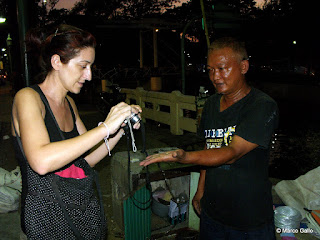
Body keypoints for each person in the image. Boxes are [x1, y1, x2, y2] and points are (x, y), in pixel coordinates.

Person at [11, 24, 142, 239]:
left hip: (79, 209)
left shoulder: (70, 103)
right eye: (83, 66)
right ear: (56, 62)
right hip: (46, 216)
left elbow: (86, 159)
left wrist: (119, 129)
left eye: (90, 67)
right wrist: (105, 127)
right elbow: (41, 162)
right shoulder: (28, 98)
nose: (89, 75)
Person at [140, 37, 278, 239]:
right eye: (210, 70)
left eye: (222, 68)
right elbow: (209, 147)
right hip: (212, 211)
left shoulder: (261, 106)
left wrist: (184, 157)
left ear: (243, 66)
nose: (215, 76)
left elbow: (232, 153)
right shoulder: (211, 104)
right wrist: (200, 189)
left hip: (248, 216)